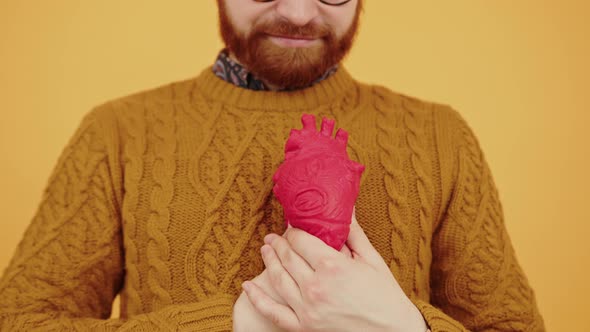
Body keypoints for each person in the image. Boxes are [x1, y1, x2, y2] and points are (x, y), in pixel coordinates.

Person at [0, 0, 546, 331]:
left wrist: (402, 326)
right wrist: (241, 321)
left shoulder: (439, 136)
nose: (299, 13)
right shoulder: (118, 133)